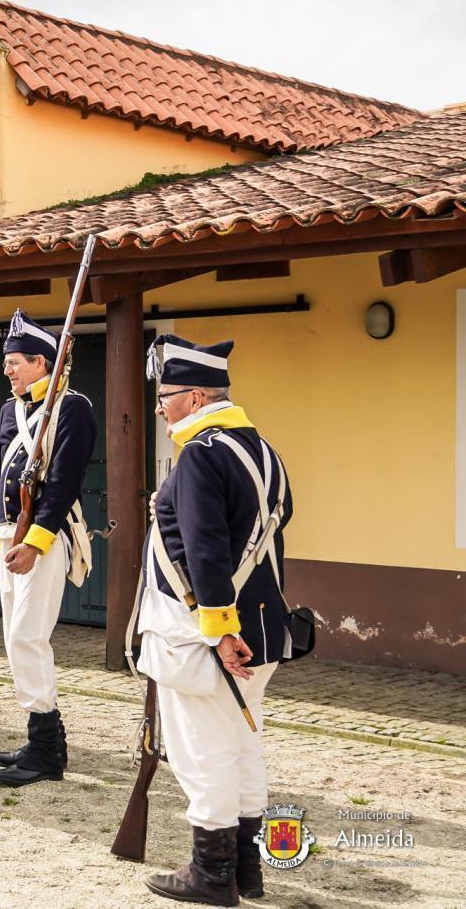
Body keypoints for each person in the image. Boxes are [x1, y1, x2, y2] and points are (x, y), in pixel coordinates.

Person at [137, 334, 293, 906]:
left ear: (196, 397)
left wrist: (221, 629)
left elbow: (205, 547)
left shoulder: (202, 453)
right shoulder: (263, 450)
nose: (160, 407)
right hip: (264, 625)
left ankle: (210, 874)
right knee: (242, 746)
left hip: (208, 634)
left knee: (202, 752)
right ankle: (246, 872)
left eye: (166, 397)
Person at [0, 310, 97, 787]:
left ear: (42, 362)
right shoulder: (9, 411)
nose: (7, 370)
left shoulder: (73, 408)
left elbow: (65, 483)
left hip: (44, 539)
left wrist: (33, 543)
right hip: (11, 536)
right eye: (6, 362)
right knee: (14, 638)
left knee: (27, 637)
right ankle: (41, 737)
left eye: (15, 362)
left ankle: (47, 749)